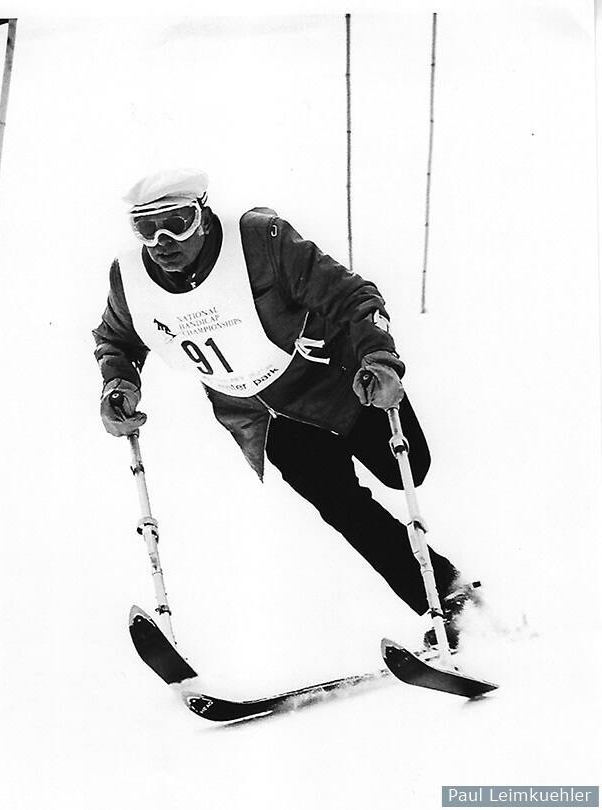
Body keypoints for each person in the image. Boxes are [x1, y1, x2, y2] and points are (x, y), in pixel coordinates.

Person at [93, 168, 479, 651]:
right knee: (343, 508)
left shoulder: (259, 241)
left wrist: (379, 360)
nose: (162, 242)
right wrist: (118, 385)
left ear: (204, 216)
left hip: (337, 385)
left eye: (177, 223)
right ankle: (449, 598)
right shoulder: (130, 280)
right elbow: (116, 339)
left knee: (408, 470)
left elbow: (353, 297)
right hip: (268, 418)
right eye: (146, 229)